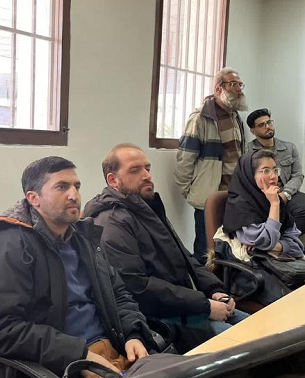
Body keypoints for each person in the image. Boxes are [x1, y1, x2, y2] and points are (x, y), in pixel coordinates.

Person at [0, 157, 156, 378]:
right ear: (34, 198)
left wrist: (133, 333)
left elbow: (118, 293)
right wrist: (77, 356)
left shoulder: (83, 236)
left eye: (76, 186)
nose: (74, 195)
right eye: (62, 187)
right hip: (58, 369)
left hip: (114, 350)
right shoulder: (9, 245)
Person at [84, 144, 249, 353]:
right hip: (163, 318)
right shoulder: (112, 222)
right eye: (135, 170)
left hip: (189, 304)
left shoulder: (146, 208)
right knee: (246, 345)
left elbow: (185, 257)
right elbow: (138, 288)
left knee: (266, 329)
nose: (146, 175)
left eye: (147, 168)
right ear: (112, 180)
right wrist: (204, 305)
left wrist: (215, 291)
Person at [174, 67, 248, 264]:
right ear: (218, 88)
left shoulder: (236, 117)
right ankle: (203, 283)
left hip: (234, 195)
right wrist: (189, 191)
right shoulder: (201, 117)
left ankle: (225, 281)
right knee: (205, 249)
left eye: (240, 84)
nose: (238, 89)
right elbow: (185, 159)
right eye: (233, 84)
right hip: (209, 197)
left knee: (231, 246)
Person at [218, 150, 305, 305]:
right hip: (250, 271)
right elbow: (267, 241)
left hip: (278, 264)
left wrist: (275, 246)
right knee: (296, 301)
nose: (273, 176)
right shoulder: (239, 205)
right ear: (250, 175)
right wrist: (274, 205)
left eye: (275, 170)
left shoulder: (273, 199)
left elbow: (297, 246)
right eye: (265, 171)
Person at [246, 108, 305, 234]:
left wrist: (285, 194)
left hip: (287, 192)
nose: (268, 127)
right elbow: (246, 177)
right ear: (253, 131)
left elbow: (297, 175)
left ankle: (285, 240)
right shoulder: (248, 151)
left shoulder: (289, 148)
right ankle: (271, 239)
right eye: (262, 125)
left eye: (269, 122)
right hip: (260, 194)